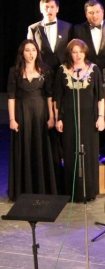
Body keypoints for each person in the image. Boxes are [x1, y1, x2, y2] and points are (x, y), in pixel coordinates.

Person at [54, 39, 105, 201]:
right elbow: (57, 98)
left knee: (89, 153)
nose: (78, 55)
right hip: (69, 119)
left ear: (85, 53)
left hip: (90, 119)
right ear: (70, 53)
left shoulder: (94, 70)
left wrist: (101, 117)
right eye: (74, 52)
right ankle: (73, 191)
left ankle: (88, 191)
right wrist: (58, 118)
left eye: (80, 52)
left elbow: (100, 97)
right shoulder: (62, 70)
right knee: (71, 152)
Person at [7, 40, 56, 201]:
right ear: (22, 53)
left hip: (40, 114)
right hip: (22, 114)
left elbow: (49, 96)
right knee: (24, 147)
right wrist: (12, 119)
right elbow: (11, 97)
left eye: (33, 50)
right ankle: (23, 189)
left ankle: (41, 188)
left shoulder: (45, 70)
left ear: (37, 52)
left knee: (40, 148)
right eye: (27, 50)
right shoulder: (14, 71)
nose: (31, 53)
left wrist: (51, 117)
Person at [73, 0, 105, 72]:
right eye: (91, 13)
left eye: (97, 12)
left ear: (103, 12)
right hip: (85, 73)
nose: (94, 15)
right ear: (86, 14)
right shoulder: (78, 29)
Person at [27, 0, 73, 71]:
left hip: (64, 70)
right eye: (46, 7)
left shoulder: (67, 27)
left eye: (52, 7)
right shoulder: (33, 28)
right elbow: (30, 51)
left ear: (57, 9)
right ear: (41, 9)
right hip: (42, 70)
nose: (49, 10)